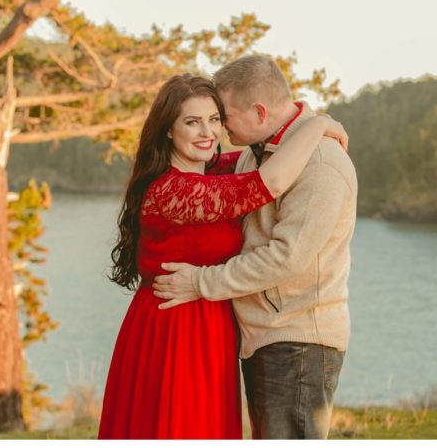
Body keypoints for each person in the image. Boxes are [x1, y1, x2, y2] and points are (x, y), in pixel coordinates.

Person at [98, 74, 348, 439]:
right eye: (192, 121)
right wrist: (319, 124)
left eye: (215, 119)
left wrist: (308, 130)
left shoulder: (214, 169)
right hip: (175, 325)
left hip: (210, 318)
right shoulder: (172, 190)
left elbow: (264, 155)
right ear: (168, 130)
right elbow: (270, 181)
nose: (208, 132)